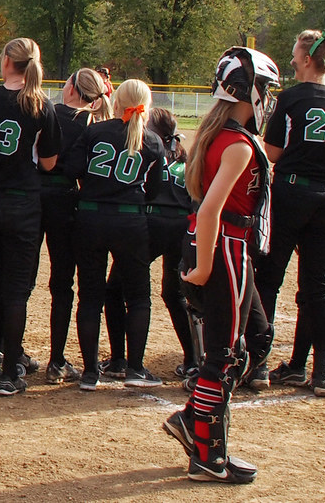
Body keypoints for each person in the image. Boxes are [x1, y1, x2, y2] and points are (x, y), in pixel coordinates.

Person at [163, 46, 279, 484]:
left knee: (232, 351)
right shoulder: (238, 144)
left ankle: (192, 422)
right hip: (225, 247)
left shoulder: (217, 135)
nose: (268, 97)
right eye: (265, 89)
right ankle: (208, 456)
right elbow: (212, 209)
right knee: (224, 356)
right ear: (250, 91)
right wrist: (209, 267)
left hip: (217, 243)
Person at [0, 37, 61, 396]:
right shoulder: (42, 105)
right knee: (16, 292)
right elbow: (49, 162)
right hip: (23, 204)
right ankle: (8, 372)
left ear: (6, 63)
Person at [258, 30, 325, 398]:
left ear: (309, 59)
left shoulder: (292, 97)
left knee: (270, 278)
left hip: (293, 191)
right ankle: (321, 371)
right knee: (318, 286)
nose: (293, 60)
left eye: (296, 55)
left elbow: (274, 152)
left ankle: (259, 364)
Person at [63, 79, 164, 391]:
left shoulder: (95, 131)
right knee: (137, 297)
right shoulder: (152, 140)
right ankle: (134, 368)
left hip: (91, 217)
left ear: (116, 102)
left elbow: (71, 168)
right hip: (130, 221)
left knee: (90, 295)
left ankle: (91, 372)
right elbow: (154, 192)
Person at [104, 108, 196, 380]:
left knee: (116, 290)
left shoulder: (148, 151)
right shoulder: (184, 158)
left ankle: (120, 360)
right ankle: (192, 359)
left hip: (152, 224)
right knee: (175, 294)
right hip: (182, 228)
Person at [41, 67, 112, 385]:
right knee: (62, 284)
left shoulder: (49, 112)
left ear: (71, 88)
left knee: (18, 282)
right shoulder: (90, 124)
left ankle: (5, 354)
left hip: (33, 197)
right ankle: (56, 359)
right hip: (67, 201)